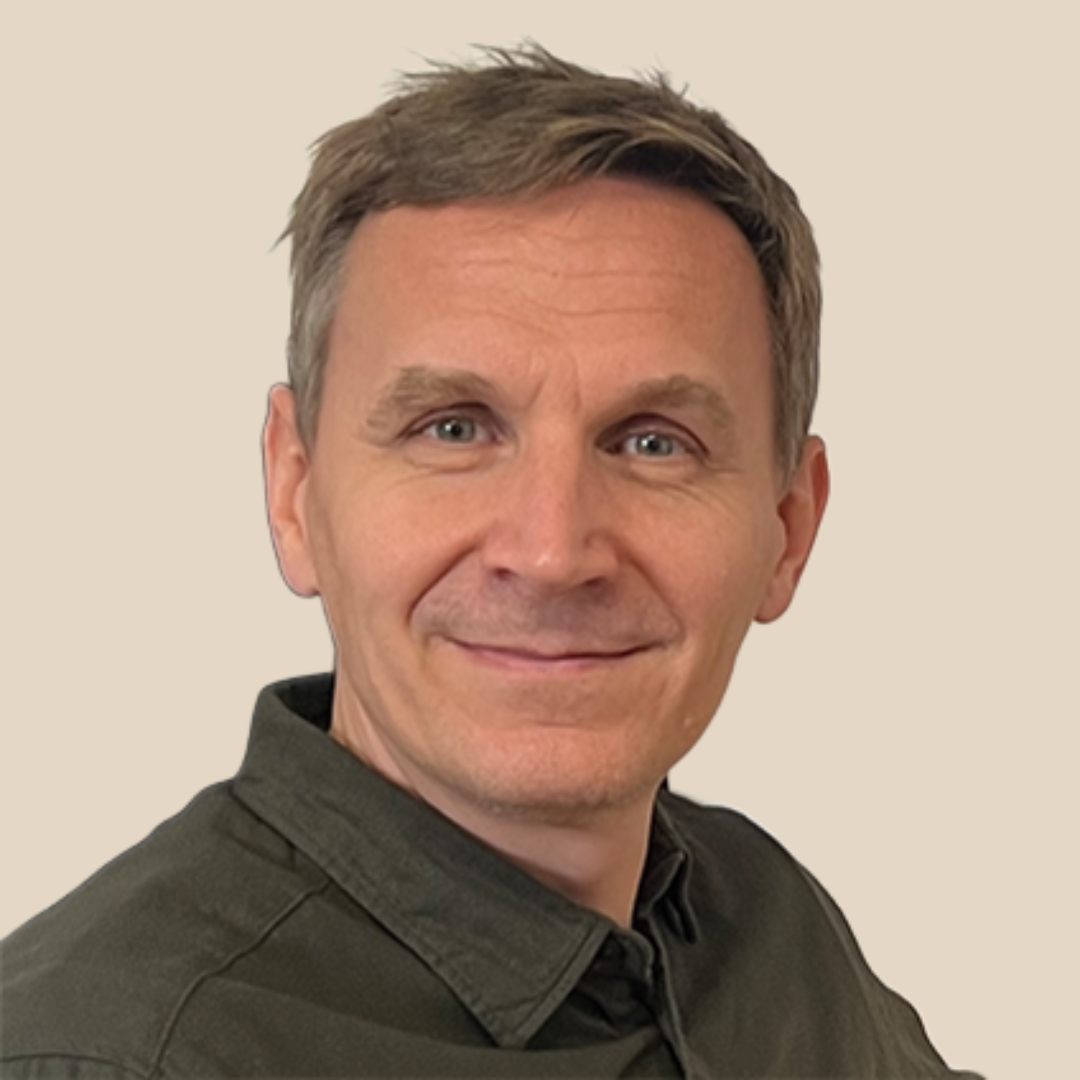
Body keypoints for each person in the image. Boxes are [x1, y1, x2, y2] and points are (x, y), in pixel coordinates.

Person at [0, 44, 982, 1079]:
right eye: (453, 429)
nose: (552, 552)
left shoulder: (773, 930)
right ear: (295, 492)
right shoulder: (109, 1058)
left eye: (654, 443)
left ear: (788, 527)